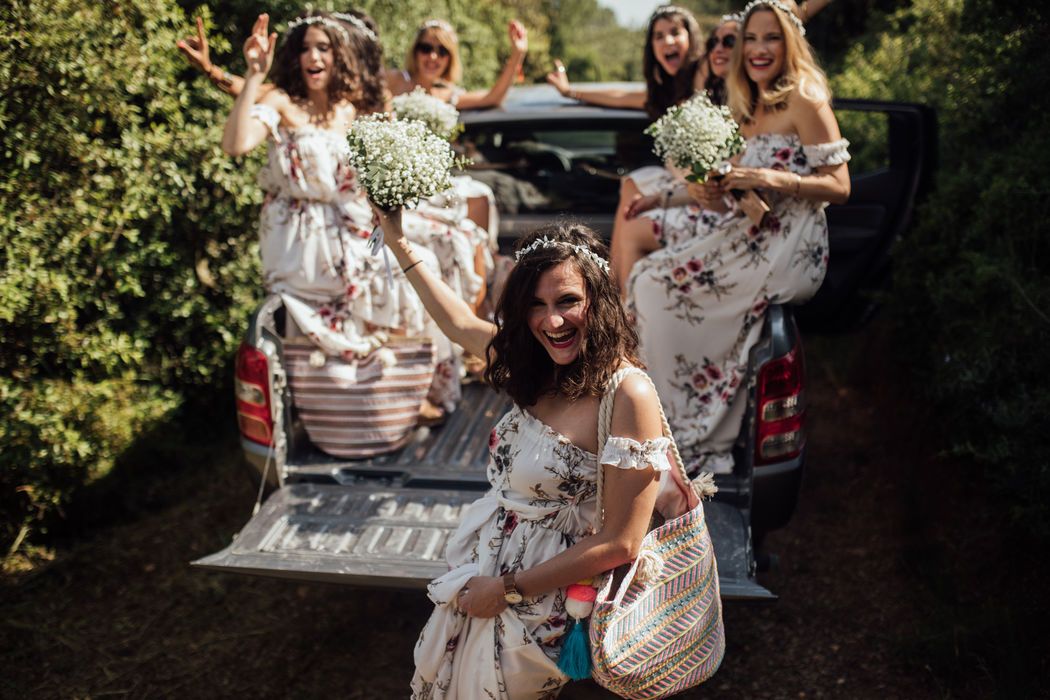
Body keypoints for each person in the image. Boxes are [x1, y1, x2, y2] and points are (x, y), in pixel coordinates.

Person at [370, 207, 675, 697]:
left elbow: (622, 542)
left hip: (537, 598)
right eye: (535, 305)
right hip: (485, 575)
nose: (551, 320)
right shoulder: (538, 367)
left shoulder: (627, 394)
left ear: (599, 300)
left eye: (568, 301)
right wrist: (398, 241)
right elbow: (458, 323)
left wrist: (507, 589)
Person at [625, 0, 851, 475]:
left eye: (771, 38)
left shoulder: (805, 97)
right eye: (751, 39)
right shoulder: (743, 106)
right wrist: (663, 199)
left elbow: (839, 185)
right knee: (646, 279)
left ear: (789, 43)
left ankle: (692, 435)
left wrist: (772, 178)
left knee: (655, 285)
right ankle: (659, 419)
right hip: (747, 231)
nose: (758, 49)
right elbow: (728, 185)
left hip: (789, 242)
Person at [221, 12, 456, 450]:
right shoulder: (281, 102)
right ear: (295, 57)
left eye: (323, 48)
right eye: (306, 48)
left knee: (415, 276)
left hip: (351, 227)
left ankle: (397, 397)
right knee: (367, 288)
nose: (313, 56)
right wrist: (254, 74)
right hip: (299, 239)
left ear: (337, 56)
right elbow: (235, 145)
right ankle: (336, 412)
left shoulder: (351, 108)